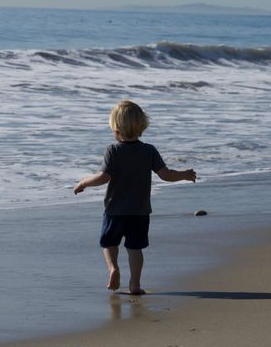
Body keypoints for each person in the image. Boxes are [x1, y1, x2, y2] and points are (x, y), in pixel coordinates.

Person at [74, 100, 197, 295]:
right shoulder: (148, 150)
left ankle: (113, 268)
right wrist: (184, 174)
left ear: (115, 129)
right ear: (142, 126)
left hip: (115, 211)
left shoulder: (113, 151)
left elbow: (103, 177)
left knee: (109, 243)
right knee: (135, 249)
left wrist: (83, 183)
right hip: (139, 212)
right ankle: (135, 284)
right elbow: (165, 175)